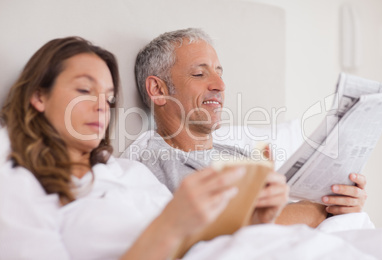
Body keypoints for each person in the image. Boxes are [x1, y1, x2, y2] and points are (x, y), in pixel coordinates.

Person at [0, 36, 289, 259]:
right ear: (39, 96)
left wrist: (255, 223)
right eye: (85, 91)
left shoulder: (130, 171)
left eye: (110, 98)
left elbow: (198, 248)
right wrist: (171, 225)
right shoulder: (18, 182)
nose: (102, 107)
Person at [121, 28, 368, 224]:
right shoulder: (157, 165)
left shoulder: (237, 154)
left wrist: (342, 204)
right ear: (158, 89)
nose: (220, 85)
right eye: (199, 74)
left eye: (219, 72)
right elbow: (235, 226)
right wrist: (322, 210)